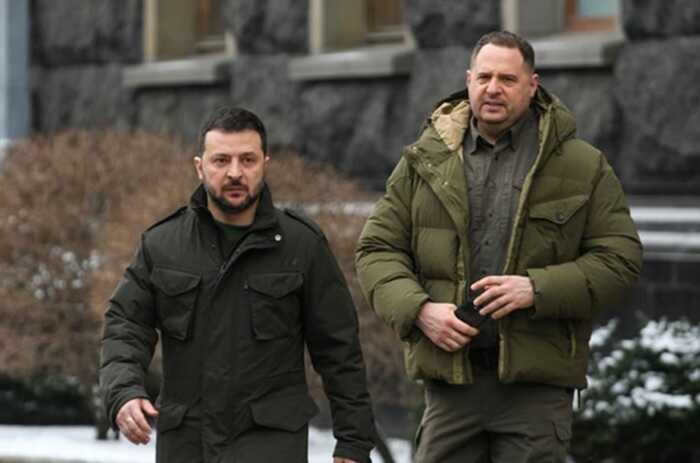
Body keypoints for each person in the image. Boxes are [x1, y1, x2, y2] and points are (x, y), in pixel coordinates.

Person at [355, 31, 642, 462]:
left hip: (536, 392)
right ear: (468, 80)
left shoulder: (582, 165)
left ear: (532, 85)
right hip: (452, 386)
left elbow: (621, 259)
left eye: (507, 79)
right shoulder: (424, 161)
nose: (493, 88)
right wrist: (420, 310)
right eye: (484, 77)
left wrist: (536, 288)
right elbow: (377, 249)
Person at [100, 107, 375, 463]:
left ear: (265, 164)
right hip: (188, 444)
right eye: (221, 160)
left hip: (270, 444)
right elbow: (125, 324)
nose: (234, 173)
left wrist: (354, 443)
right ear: (199, 167)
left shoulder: (301, 245)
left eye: (247, 160)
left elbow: (338, 348)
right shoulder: (163, 245)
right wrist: (123, 390)